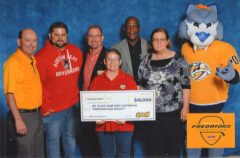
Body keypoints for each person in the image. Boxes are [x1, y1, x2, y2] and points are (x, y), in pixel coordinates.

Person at [138, 28, 191, 157]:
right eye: (155, 39)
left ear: (168, 41)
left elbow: (186, 85)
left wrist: (186, 107)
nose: (159, 42)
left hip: (173, 113)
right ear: (152, 42)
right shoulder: (146, 60)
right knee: (153, 148)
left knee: (173, 148)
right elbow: (139, 85)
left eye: (162, 39)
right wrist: (137, 107)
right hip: (151, 114)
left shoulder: (179, 59)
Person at [35, 22, 83, 158]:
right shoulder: (41, 56)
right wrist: (44, 106)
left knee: (70, 137)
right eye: (56, 35)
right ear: (50, 36)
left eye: (63, 35)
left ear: (67, 35)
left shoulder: (76, 52)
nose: (60, 38)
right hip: (53, 109)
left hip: (73, 105)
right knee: (53, 140)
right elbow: (39, 84)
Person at [3, 28, 44, 158]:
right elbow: (9, 94)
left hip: (36, 114)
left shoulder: (31, 59)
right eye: (27, 40)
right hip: (23, 117)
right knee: (26, 154)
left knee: (38, 154)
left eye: (34, 41)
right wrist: (18, 120)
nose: (31, 44)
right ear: (19, 41)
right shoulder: (13, 62)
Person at [89, 49, 137, 158]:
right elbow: (90, 104)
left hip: (125, 125)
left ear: (120, 62)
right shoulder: (96, 80)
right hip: (103, 125)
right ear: (104, 61)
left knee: (124, 155)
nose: (112, 62)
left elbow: (135, 104)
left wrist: (127, 117)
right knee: (106, 155)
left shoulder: (129, 80)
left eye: (115, 59)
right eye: (109, 59)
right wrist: (94, 117)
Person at [80, 25, 106, 157]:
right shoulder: (83, 55)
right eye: (91, 36)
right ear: (86, 38)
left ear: (102, 38)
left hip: (102, 106)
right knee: (87, 142)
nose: (94, 39)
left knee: (102, 143)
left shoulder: (109, 56)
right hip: (85, 105)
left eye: (97, 36)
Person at [111, 16, 148, 84]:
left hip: (146, 89)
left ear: (139, 29)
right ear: (124, 28)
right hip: (125, 89)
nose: (131, 30)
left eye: (134, 26)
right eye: (128, 27)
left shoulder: (149, 46)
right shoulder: (115, 48)